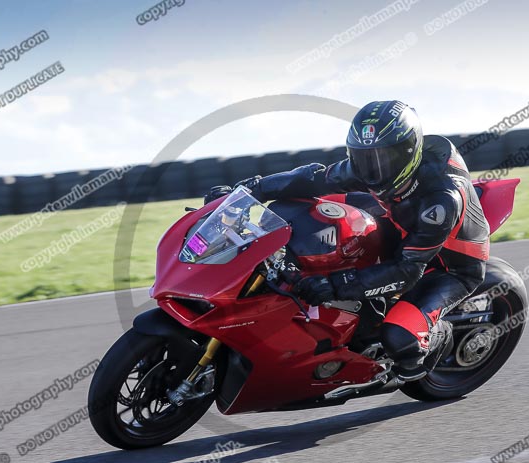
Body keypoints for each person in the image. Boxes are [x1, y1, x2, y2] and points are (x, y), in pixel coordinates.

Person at [205, 100, 490, 381]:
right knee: (313, 209)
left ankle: (441, 335)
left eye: (383, 158)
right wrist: (250, 190)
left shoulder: (440, 202)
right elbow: (314, 178)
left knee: (401, 341)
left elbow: (407, 270)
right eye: (363, 157)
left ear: (408, 153)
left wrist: (335, 285)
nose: (371, 169)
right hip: (399, 221)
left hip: (448, 265)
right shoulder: (369, 171)